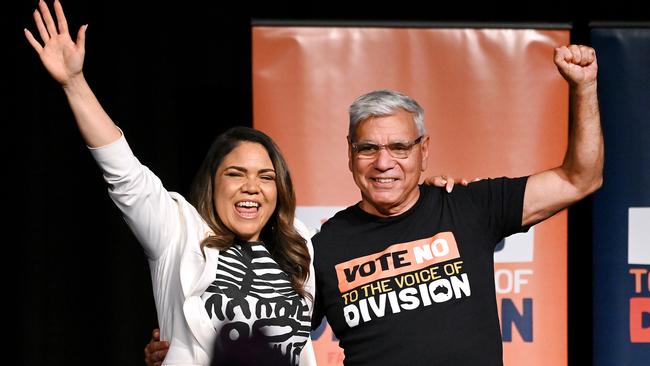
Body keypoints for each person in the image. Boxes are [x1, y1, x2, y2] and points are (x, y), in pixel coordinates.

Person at [25, 1, 319, 365]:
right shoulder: (176, 231)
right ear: (212, 183)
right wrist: (74, 83)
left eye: (266, 177)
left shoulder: (298, 243)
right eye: (235, 173)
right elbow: (124, 173)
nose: (251, 186)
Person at [307, 46, 602, 364]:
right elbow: (271, 333)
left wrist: (583, 87)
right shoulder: (322, 247)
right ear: (350, 154)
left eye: (399, 147)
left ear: (424, 151)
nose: (383, 162)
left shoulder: (469, 207)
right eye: (367, 148)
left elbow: (579, 179)